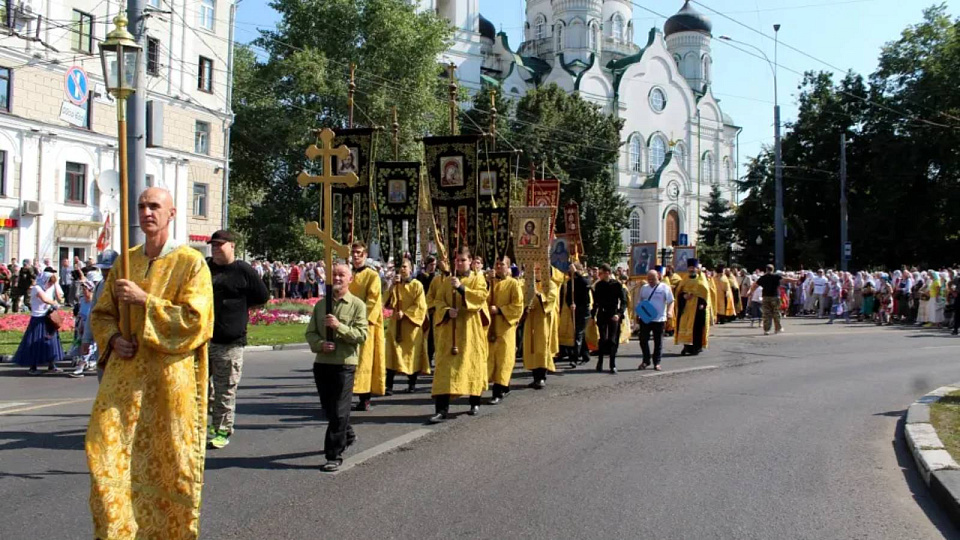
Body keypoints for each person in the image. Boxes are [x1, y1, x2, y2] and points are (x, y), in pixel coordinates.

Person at [85, 187, 214, 539]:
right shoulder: (127, 260)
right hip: (125, 378)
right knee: (102, 449)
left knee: (169, 463)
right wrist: (113, 339)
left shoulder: (190, 262)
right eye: (142, 206)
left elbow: (196, 321)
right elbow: (101, 314)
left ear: (171, 214)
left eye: (155, 206)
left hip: (168, 384)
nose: (147, 212)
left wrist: (146, 301)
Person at [205, 229, 271, 449]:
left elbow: (262, 297)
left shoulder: (243, 270)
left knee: (225, 390)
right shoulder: (206, 267)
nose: (214, 249)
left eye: (219, 245)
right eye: (212, 245)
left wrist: (239, 309)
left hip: (230, 343)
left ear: (231, 246)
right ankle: (209, 424)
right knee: (202, 388)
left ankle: (222, 430)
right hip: (203, 340)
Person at [305, 262, 368, 472]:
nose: (338, 278)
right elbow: (311, 332)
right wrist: (319, 344)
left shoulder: (357, 305)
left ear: (350, 279)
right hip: (323, 363)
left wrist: (338, 327)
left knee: (340, 411)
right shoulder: (321, 305)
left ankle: (333, 455)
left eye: (342, 275)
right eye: (334, 275)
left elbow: (361, 335)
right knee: (329, 409)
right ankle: (347, 434)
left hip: (344, 364)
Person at [429, 246, 489, 423]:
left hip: (470, 329)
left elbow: (480, 297)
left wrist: (462, 289)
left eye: (463, 260)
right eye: (457, 260)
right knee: (444, 368)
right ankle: (441, 409)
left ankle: (474, 401)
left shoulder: (478, 279)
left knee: (472, 364)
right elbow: (437, 301)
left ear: (470, 261)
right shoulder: (447, 281)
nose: (460, 263)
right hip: (450, 331)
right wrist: (447, 311)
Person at [348, 242, 385, 411]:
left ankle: (365, 398)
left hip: (364, 325)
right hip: (346, 323)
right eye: (353, 252)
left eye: (359, 253)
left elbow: (373, 300)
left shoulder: (372, 275)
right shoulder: (347, 274)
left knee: (364, 360)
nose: (356, 256)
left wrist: (360, 319)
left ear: (365, 255)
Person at [385, 256, 430, 395]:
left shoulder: (417, 285)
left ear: (411, 269)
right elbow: (386, 302)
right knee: (392, 353)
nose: (402, 270)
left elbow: (421, 306)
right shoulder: (395, 285)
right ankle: (389, 385)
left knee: (412, 354)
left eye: (405, 267)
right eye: (400, 267)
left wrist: (405, 314)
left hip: (411, 326)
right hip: (395, 325)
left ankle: (411, 383)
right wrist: (391, 285)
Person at [487, 255, 524, 404]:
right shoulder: (491, 283)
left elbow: (518, 306)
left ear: (508, 268)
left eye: (502, 264)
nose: (498, 267)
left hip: (505, 326)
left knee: (503, 359)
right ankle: (504, 385)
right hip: (491, 327)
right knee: (492, 359)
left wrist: (501, 310)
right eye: (497, 264)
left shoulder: (513, 284)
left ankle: (498, 391)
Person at [12, 269, 65, 374]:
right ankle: (33, 367)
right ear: (45, 280)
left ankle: (52, 365)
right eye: (49, 282)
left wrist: (55, 287)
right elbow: (44, 299)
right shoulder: (37, 288)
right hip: (38, 318)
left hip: (48, 317)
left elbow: (59, 297)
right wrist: (54, 302)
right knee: (35, 342)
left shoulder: (51, 287)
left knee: (51, 341)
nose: (50, 284)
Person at [77, 250, 119, 381]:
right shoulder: (100, 286)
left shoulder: (125, 285)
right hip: (102, 342)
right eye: (103, 270)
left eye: (109, 269)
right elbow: (93, 313)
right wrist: (86, 339)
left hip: (121, 342)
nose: (106, 273)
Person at [523, 264, 560, 389]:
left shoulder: (550, 285)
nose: (537, 273)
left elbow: (550, 300)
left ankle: (542, 377)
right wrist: (526, 306)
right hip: (532, 319)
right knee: (532, 346)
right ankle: (535, 376)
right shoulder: (529, 284)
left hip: (543, 320)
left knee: (542, 345)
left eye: (539, 270)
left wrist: (540, 296)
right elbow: (523, 299)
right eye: (535, 270)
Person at [592, 264, 627, 373]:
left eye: (601, 273)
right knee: (602, 339)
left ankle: (612, 364)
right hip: (602, 313)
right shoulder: (598, 285)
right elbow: (596, 302)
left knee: (612, 340)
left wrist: (619, 313)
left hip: (613, 314)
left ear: (607, 273)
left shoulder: (616, 284)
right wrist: (592, 315)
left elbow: (624, 301)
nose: (599, 275)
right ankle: (600, 362)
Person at [637, 269, 674, 371]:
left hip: (659, 318)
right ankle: (646, 360)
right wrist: (638, 314)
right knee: (643, 340)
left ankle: (656, 362)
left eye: (653, 279)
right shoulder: (644, 288)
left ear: (658, 277)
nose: (651, 281)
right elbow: (640, 302)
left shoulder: (664, 287)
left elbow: (671, 301)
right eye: (649, 279)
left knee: (658, 341)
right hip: (645, 318)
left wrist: (670, 312)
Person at [749, 264, 798, 335]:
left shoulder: (763, 278)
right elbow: (785, 280)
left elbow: (755, 285)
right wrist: (795, 280)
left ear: (766, 269)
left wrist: (751, 292)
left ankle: (766, 330)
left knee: (766, 314)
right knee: (776, 313)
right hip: (775, 297)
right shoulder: (776, 277)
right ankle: (777, 328)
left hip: (765, 297)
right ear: (773, 269)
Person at [675, 260, 711, 356]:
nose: (691, 269)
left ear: (697, 269)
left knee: (696, 327)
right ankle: (686, 346)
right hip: (686, 307)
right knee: (685, 326)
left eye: (693, 268)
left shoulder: (702, 279)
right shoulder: (685, 279)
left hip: (697, 307)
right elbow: (679, 292)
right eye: (690, 268)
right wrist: (683, 296)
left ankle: (696, 347)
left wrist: (703, 303)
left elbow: (706, 293)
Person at [559, 263, 591, 368]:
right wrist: (570, 304)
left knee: (578, 333)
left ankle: (574, 358)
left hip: (584, 310)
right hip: (575, 310)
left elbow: (586, 286)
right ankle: (585, 355)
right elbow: (568, 297)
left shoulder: (585, 279)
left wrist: (576, 272)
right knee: (579, 333)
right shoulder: (570, 282)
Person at [416, 256, 438, 366]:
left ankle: (429, 357)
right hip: (422, 307)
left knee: (431, 337)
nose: (433, 267)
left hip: (432, 309)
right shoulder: (420, 277)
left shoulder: (437, 278)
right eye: (431, 264)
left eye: (434, 265)